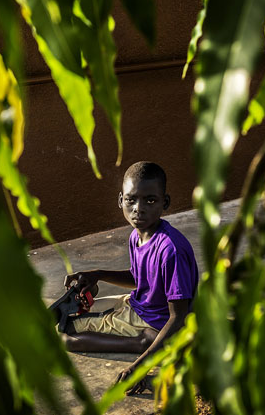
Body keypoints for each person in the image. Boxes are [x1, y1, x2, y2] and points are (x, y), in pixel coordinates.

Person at [61, 161, 199, 395]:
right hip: (139, 304)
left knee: (66, 336)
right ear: (120, 201)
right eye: (131, 200)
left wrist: (139, 368)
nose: (139, 209)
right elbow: (141, 279)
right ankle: (141, 336)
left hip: (156, 320)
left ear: (165, 203)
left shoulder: (171, 249)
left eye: (150, 201)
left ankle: (140, 343)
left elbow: (178, 316)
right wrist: (98, 275)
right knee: (70, 310)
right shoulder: (138, 236)